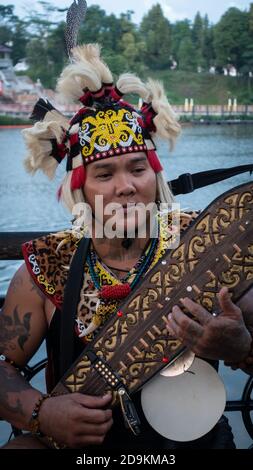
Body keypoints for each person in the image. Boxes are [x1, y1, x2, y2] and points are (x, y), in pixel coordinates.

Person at [0, 43, 252, 450]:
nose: (126, 186)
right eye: (104, 173)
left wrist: (243, 349)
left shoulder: (207, 243)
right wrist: (41, 413)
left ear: (155, 176)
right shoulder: (47, 265)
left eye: (138, 168)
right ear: (80, 187)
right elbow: (3, 367)